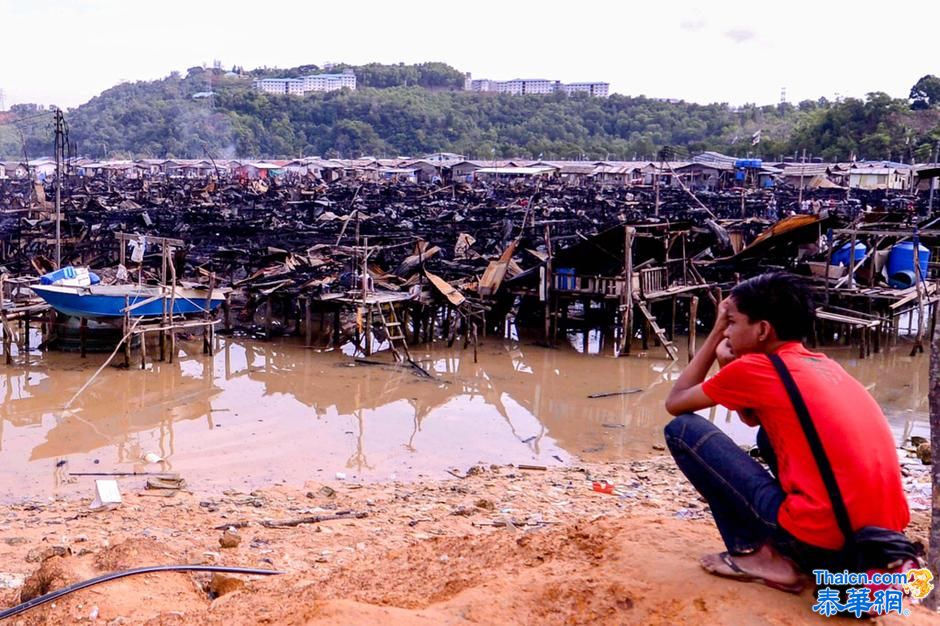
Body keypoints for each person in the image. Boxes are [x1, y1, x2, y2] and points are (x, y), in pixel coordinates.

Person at [663, 272, 909, 592]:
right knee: (768, 436)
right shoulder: (823, 365)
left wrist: (713, 336)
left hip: (821, 544)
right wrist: (728, 365)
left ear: (763, 329)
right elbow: (753, 419)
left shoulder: (755, 368)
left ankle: (759, 554)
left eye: (733, 323)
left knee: (683, 431)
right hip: (875, 543)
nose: (728, 330)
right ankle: (792, 547)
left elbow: (676, 402)